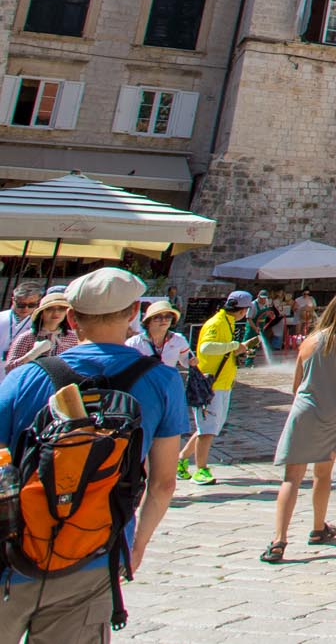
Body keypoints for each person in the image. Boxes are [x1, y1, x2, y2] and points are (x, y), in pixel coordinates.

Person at [0, 267, 187, 640]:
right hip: (95, 550)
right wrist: (137, 544)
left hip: (14, 550)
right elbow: (164, 483)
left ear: (71, 317)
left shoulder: (27, 377)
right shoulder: (162, 381)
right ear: (134, 311)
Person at [264, 293, 336, 563]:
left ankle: (278, 540)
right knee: (323, 474)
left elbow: (296, 383)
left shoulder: (308, 341)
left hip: (304, 408)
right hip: (332, 411)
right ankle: (318, 528)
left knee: (291, 477)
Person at [179, 290, 254, 484]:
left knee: (209, 427)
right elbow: (205, 348)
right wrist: (234, 345)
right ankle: (201, 470)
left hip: (222, 383)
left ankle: (181, 460)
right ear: (243, 310)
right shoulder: (217, 323)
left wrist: (235, 349)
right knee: (207, 429)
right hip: (211, 384)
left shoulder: (227, 322)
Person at [5, 291, 76, 373]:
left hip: (60, 383)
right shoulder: (27, 337)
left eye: (61, 309)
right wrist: (32, 354)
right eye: (49, 309)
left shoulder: (73, 338)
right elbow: (9, 369)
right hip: (31, 381)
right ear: (41, 313)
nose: (56, 313)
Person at [0, 284, 42, 356]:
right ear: (13, 300)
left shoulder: (40, 322)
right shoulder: (2, 317)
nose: (26, 308)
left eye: (31, 305)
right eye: (21, 305)